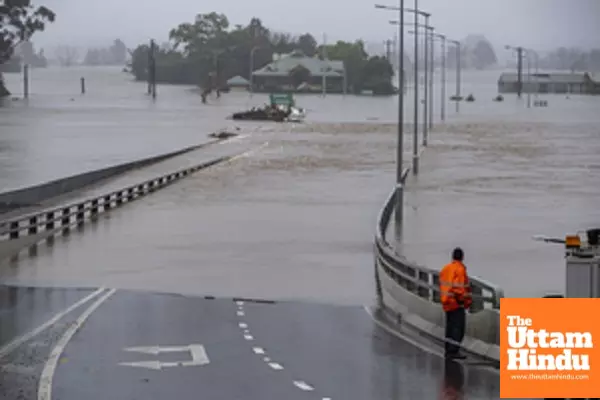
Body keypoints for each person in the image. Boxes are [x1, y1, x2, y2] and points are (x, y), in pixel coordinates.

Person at [439, 247, 472, 359]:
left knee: (449, 327)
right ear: (462, 257)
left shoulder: (445, 269)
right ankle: (454, 351)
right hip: (456, 303)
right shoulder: (460, 269)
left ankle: (448, 349)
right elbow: (459, 288)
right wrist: (465, 301)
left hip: (446, 302)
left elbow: (443, 285)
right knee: (458, 328)